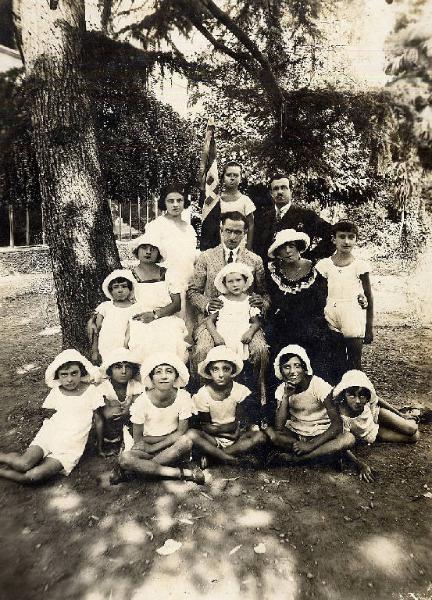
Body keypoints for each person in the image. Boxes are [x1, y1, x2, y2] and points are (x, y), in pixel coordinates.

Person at [187, 211, 269, 404]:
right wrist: (207, 304)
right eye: (228, 231)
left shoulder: (254, 260)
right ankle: (202, 402)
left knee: (260, 349)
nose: (232, 237)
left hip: (245, 319)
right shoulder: (206, 257)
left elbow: (265, 293)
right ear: (221, 230)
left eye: (238, 232)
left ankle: (256, 401)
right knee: (203, 350)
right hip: (212, 322)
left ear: (245, 233)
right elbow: (193, 291)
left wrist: (260, 302)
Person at [0, 350, 101, 484]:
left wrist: (100, 446)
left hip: (71, 447)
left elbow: (99, 421)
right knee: (23, 465)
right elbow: (51, 416)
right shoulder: (57, 391)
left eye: (74, 373)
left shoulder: (91, 391)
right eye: (64, 375)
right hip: (51, 435)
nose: (69, 379)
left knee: (34, 476)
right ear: (58, 376)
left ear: (81, 372)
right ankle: (6, 457)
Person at [266, 229, 343, 384]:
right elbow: (269, 298)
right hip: (283, 324)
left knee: (329, 343)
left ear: (299, 247)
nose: (288, 251)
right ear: (278, 252)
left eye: (291, 246)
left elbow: (326, 298)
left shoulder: (316, 269)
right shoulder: (273, 272)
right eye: (283, 247)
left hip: (311, 322)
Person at [116, 353, 205, 484]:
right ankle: (181, 473)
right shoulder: (141, 402)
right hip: (146, 447)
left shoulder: (183, 397)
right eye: (158, 372)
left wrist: (154, 447)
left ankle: (140, 469)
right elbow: (139, 439)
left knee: (186, 442)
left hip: (171, 446)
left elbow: (181, 432)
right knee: (125, 458)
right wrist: (154, 444)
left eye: (169, 371)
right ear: (151, 378)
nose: (164, 376)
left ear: (175, 376)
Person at [264, 345, 355, 466]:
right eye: (287, 367)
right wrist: (286, 396)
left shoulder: (318, 385)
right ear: (280, 370)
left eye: (297, 366)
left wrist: (310, 445)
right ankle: (324, 455)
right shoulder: (282, 390)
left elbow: (337, 425)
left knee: (348, 438)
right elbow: (279, 426)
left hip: (322, 433)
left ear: (304, 367)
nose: (292, 371)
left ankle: (298, 459)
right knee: (271, 433)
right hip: (298, 433)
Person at [333, 370, 419, 482]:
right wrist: (360, 465)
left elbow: (377, 400)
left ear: (367, 396)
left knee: (411, 428)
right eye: (352, 395)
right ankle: (414, 414)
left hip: (376, 415)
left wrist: (399, 413)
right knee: (414, 437)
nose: (358, 401)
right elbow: (342, 445)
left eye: (362, 396)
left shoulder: (368, 399)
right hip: (371, 432)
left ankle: (414, 413)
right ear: (344, 394)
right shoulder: (341, 415)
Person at [188, 346, 267, 467]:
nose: (221, 374)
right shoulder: (202, 394)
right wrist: (227, 431)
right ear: (209, 371)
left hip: (237, 437)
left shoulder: (240, 391)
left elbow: (240, 424)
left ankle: (216, 457)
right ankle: (231, 459)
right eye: (215, 369)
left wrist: (232, 430)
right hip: (214, 439)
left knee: (260, 436)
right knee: (191, 434)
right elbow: (206, 427)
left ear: (232, 371)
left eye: (226, 369)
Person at [315, 220, 374, 370]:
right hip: (332, 313)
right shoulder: (324, 265)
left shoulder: (360, 266)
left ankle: (357, 391)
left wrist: (369, 328)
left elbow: (369, 296)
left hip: (353, 313)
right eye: (342, 237)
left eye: (351, 237)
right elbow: (320, 295)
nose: (346, 241)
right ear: (334, 239)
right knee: (336, 361)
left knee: (355, 362)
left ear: (356, 240)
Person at [126, 232, 188, 362]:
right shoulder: (128, 276)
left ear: (158, 254)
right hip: (139, 318)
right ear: (137, 251)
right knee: (141, 343)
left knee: (171, 340)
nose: (148, 252)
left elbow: (176, 304)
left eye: (153, 249)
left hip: (165, 317)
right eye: (144, 248)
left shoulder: (168, 274)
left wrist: (155, 315)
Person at [145, 182, 198, 329]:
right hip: (168, 283)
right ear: (164, 203)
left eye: (179, 200)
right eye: (170, 201)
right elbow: (149, 257)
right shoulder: (156, 226)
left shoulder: (189, 228)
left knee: (190, 325)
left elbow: (191, 255)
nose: (175, 205)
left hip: (190, 281)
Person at [253, 173, 333, 261]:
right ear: (271, 193)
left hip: (298, 270)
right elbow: (256, 245)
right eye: (276, 189)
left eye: (284, 187)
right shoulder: (262, 217)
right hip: (268, 271)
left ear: (291, 191)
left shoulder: (306, 215)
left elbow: (332, 235)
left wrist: (311, 257)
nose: (280, 192)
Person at [94, 349, 142, 457]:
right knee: (114, 410)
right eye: (118, 367)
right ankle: (108, 443)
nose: (124, 371)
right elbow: (102, 416)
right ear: (110, 370)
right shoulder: (104, 388)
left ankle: (129, 441)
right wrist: (100, 448)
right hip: (110, 432)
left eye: (127, 367)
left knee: (138, 404)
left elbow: (141, 406)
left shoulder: (135, 385)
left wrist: (129, 408)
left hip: (130, 427)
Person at [90, 269, 137, 364]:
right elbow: (96, 330)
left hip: (125, 347)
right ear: (110, 291)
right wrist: (95, 350)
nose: (120, 290)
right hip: (106, 346)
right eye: (115, 287)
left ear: (130, 289)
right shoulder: (105, 307)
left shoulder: (135, 308)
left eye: (124, 286)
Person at [219, 161, 255, 250]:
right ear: (223, 178)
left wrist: (249, 247)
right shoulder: (217, 200)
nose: (232, 178)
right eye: (228, 175)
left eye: (235, 175)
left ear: (241, 178)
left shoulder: (245, 200)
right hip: (220, 244)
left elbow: (251, 224)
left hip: (240, 245)